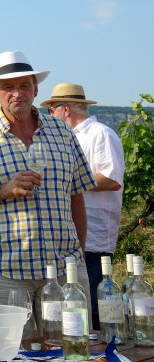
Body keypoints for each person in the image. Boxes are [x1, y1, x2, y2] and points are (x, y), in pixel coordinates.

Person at [0, 51, 96, 338]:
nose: (17, 93)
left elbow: (76, 194)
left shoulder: (61, 132)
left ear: (35, 90)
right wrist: (3, 191)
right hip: (8, 273)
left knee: (72, 346)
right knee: (16, 352)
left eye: (24, 85)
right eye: (8, 87)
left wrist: (79, 254)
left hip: (65, 271)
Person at [41, 83, 125, 329]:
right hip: (72, 234)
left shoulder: (101, 134)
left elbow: (111, 179)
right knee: (74, 304)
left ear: (65, 109)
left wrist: (67, 182)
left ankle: (101, 349)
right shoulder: (68, 138)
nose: (50, 116)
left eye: (52, 110)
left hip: (96, 236)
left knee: (95, 307)